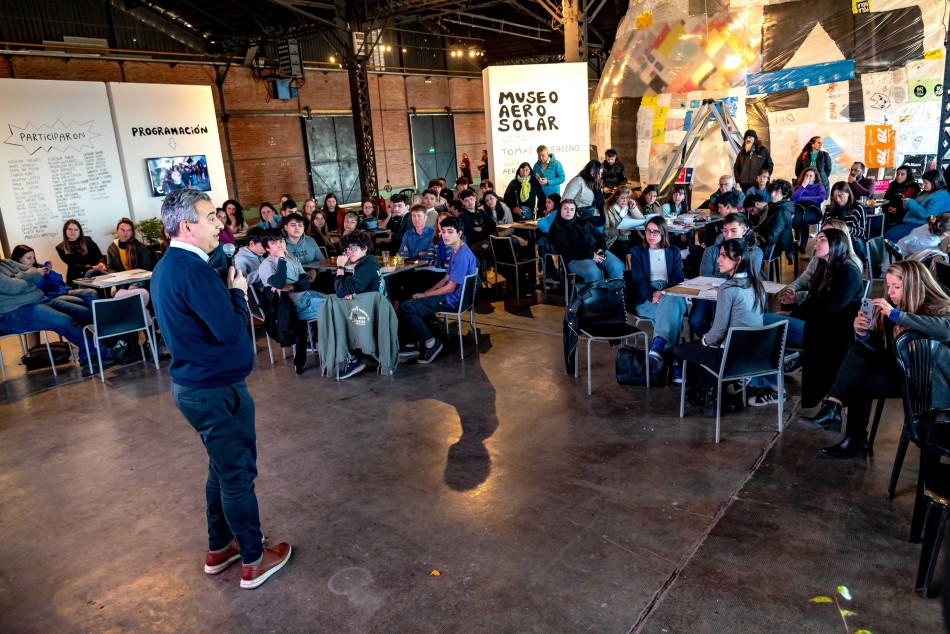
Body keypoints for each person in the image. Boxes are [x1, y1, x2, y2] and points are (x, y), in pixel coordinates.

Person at [151, 189, 291, 590]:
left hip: (199, 386)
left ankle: (220, 547)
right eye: (210, 217)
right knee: (237, 473)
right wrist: (236, 292)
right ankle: (253, 559)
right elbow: (230, 331)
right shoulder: (190, 270)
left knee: (220, 467)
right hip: (213, 391)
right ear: (186, 226)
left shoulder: (171, 265)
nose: (220, 224)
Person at [809, 260, 950, 457]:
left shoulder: (937, 308)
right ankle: (835, 410)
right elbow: (884, 352)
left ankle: (852, 436)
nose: (890, 291)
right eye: (888, 285)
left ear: (912, 285)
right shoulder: (894, 308)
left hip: (929, 383)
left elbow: (945, 329)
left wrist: (897, 315)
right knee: (858, 360)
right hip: (902, 372)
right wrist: (863, 334)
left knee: (862, 379)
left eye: (896, 286)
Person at [764, 228, 863, 410]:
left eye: (822, 240)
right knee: (766, 322)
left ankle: (768, 386)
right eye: (817, 240)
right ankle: (768, 381)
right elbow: (813, 301)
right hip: (817, 327)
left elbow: (828, 311)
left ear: (837, 244)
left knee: (761, 323)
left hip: (832, 334)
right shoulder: (827, 267)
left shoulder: (848, 272)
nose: (816, 245)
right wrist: (792, 313)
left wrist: (797, 314)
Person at [675, 235, 767, 402]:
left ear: (738, 259)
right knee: (701, 345)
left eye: (724, 255)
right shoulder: (756, 284)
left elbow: (718, 330)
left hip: (732, 356)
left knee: (680, 350)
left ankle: (705, 394)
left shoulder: (727, 289)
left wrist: (705, 341)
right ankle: (709, 388)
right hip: (754, 353)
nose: (718, 259)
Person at [398, 215, 477, 364]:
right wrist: (426, 293)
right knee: (412, 296)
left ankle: (431, 344)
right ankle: (415, 341)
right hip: (453, 296)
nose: (445, 235)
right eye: (443, 231)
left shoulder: (461, 255)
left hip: (452, 300)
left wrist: (425, 295)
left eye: (449, 232)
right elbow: (446, 278)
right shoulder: (456, 250)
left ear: (459, 234)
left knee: (406, 307)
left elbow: (450, 287)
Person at [688, 213, 763, 338]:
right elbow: (704, 279)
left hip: (739, 295)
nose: (728, 236)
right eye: (725, 231)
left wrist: (720, 274)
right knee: (695, 320)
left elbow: (748, 277)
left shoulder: (754, 252)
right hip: (710, 294)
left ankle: (722, 345)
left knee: (734, 320)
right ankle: (714, 343)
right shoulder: (712, 250)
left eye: (733, 231)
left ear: (744, 230)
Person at [629, 216, 689, 372]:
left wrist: (663, 292)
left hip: (670, 291)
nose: (650, 235)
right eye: (648, 231)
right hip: (646, 296)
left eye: (655, 232)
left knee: (670, 302)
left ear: (663, 233)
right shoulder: (637, 252)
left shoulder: (673, 251)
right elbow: (638, 279)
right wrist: (653, 295)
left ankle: (659, 344)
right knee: (673, 316)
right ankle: (676, 362)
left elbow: (677, 278)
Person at [330, 230, 385, 379]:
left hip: (369, 316)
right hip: (373, 311)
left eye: (353, 247)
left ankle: (352, 359)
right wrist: (351, 292)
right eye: (347, 249)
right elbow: (348, 289)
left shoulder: (366, 268)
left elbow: (341, 291)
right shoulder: (369, 263)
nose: (349, 252)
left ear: (365, 248)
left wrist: (340, 268)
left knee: (331, 317)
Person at [258, 228, 327, 322]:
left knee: (339, 301)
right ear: (267, 248)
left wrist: (291, 287)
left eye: (281, 241)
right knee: (333, 307)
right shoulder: (266, 265)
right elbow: (279, 284)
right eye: (274, 243)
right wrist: (281, 259)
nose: (280, 245)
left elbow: (306, 283)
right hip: (293, 307)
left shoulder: (293, 259)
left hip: (306, 296)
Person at [549, 198, 624, 283]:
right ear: (560, 210)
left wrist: (601, 248)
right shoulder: (556, 227)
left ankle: (615, 294)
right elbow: (567, 250)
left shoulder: (582, 221)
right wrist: (591, 255)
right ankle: (597, 296)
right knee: (593, 272)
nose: (568, 212)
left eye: (572, 209)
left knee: (617, 265)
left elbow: (599, 235)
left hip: (597, 251)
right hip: (575, 258)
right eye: (565, 208)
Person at [884, 169, 950, 242]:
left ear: (934, 182)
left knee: (889, 235)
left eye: (925, 183)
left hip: (922, 225)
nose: (923, 185)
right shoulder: (928, 192)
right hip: (911, 221)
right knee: (885, 229)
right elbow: (914, 207)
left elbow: (928, 216)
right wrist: (907, 203)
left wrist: (911, 203)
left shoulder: (940, 196)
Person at [821, 181, 867, 259]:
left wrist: (846, 229)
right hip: (833, 241)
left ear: (848, 193)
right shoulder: (830, 210)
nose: (838, 199)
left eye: (840, 195)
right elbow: (823, 229)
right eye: (835, 197)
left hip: (852, 243)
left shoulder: (858, 209)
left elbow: (862, 232)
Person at [56, 219, 107, 285]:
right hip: (76, 278)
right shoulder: (60, 247)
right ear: (65, 231)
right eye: (70, 229)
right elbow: (73, 265)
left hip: (95, 273)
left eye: (76, 229)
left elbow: (99, 256)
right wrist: (92, 267)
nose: (73, 232)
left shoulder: (88, 240)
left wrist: (101, 263)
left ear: (80, 231)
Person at [756, 179, 795, 265]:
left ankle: (755, 276)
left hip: (769, 249)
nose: (772, 194)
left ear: (784, 194)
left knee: (739, 251)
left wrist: (755, 237)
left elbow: (771, 238)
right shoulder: (775, 206)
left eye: (777, 192)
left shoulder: (781, 211)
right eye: (772, 191)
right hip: (766, 245)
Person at [791, 168, 827, 255]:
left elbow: (820, 198)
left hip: (813, 210)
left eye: (811, 176)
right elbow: (793, 199)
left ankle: (800, 244)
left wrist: (802, 199)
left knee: (803, 218)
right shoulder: (798, 187)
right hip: (800, 209)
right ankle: (798, 245)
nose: (808, 177)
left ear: (815, 178)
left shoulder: (819, 187)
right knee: (798, 217)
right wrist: (803, 186)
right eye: (806, 175)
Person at [457, 188, 495, 261]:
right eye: (466, 200)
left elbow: (493, 225)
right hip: (473, 245)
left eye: (471, 199)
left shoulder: (481, 212)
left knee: (505, 244)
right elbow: (472, 234)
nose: (469, 202)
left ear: (474, 198)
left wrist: (482, 228)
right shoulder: (462, 216)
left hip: (487, 241)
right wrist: (487, 230)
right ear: (463, 202)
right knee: (491, 249)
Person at [563, 160, 604, 227]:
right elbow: (565, 200)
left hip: (596, 219)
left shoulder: (596, 184)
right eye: (598, 172)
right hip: (581, 220)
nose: (599, 176)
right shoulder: (578, 181)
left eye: (600, 173)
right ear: (591, 171)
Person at [603, 186, 641, 258]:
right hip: (615, 239)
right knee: (624, 249)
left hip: (631, 236)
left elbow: (640, 220)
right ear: (616, 197)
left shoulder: (629, 206)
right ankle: (625, 268)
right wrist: (619, 231)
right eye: (622, 198)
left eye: (627, 198)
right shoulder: (607, 209)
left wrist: (634, 208)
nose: (625, 201)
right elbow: (605, 231)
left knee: (642, 247)